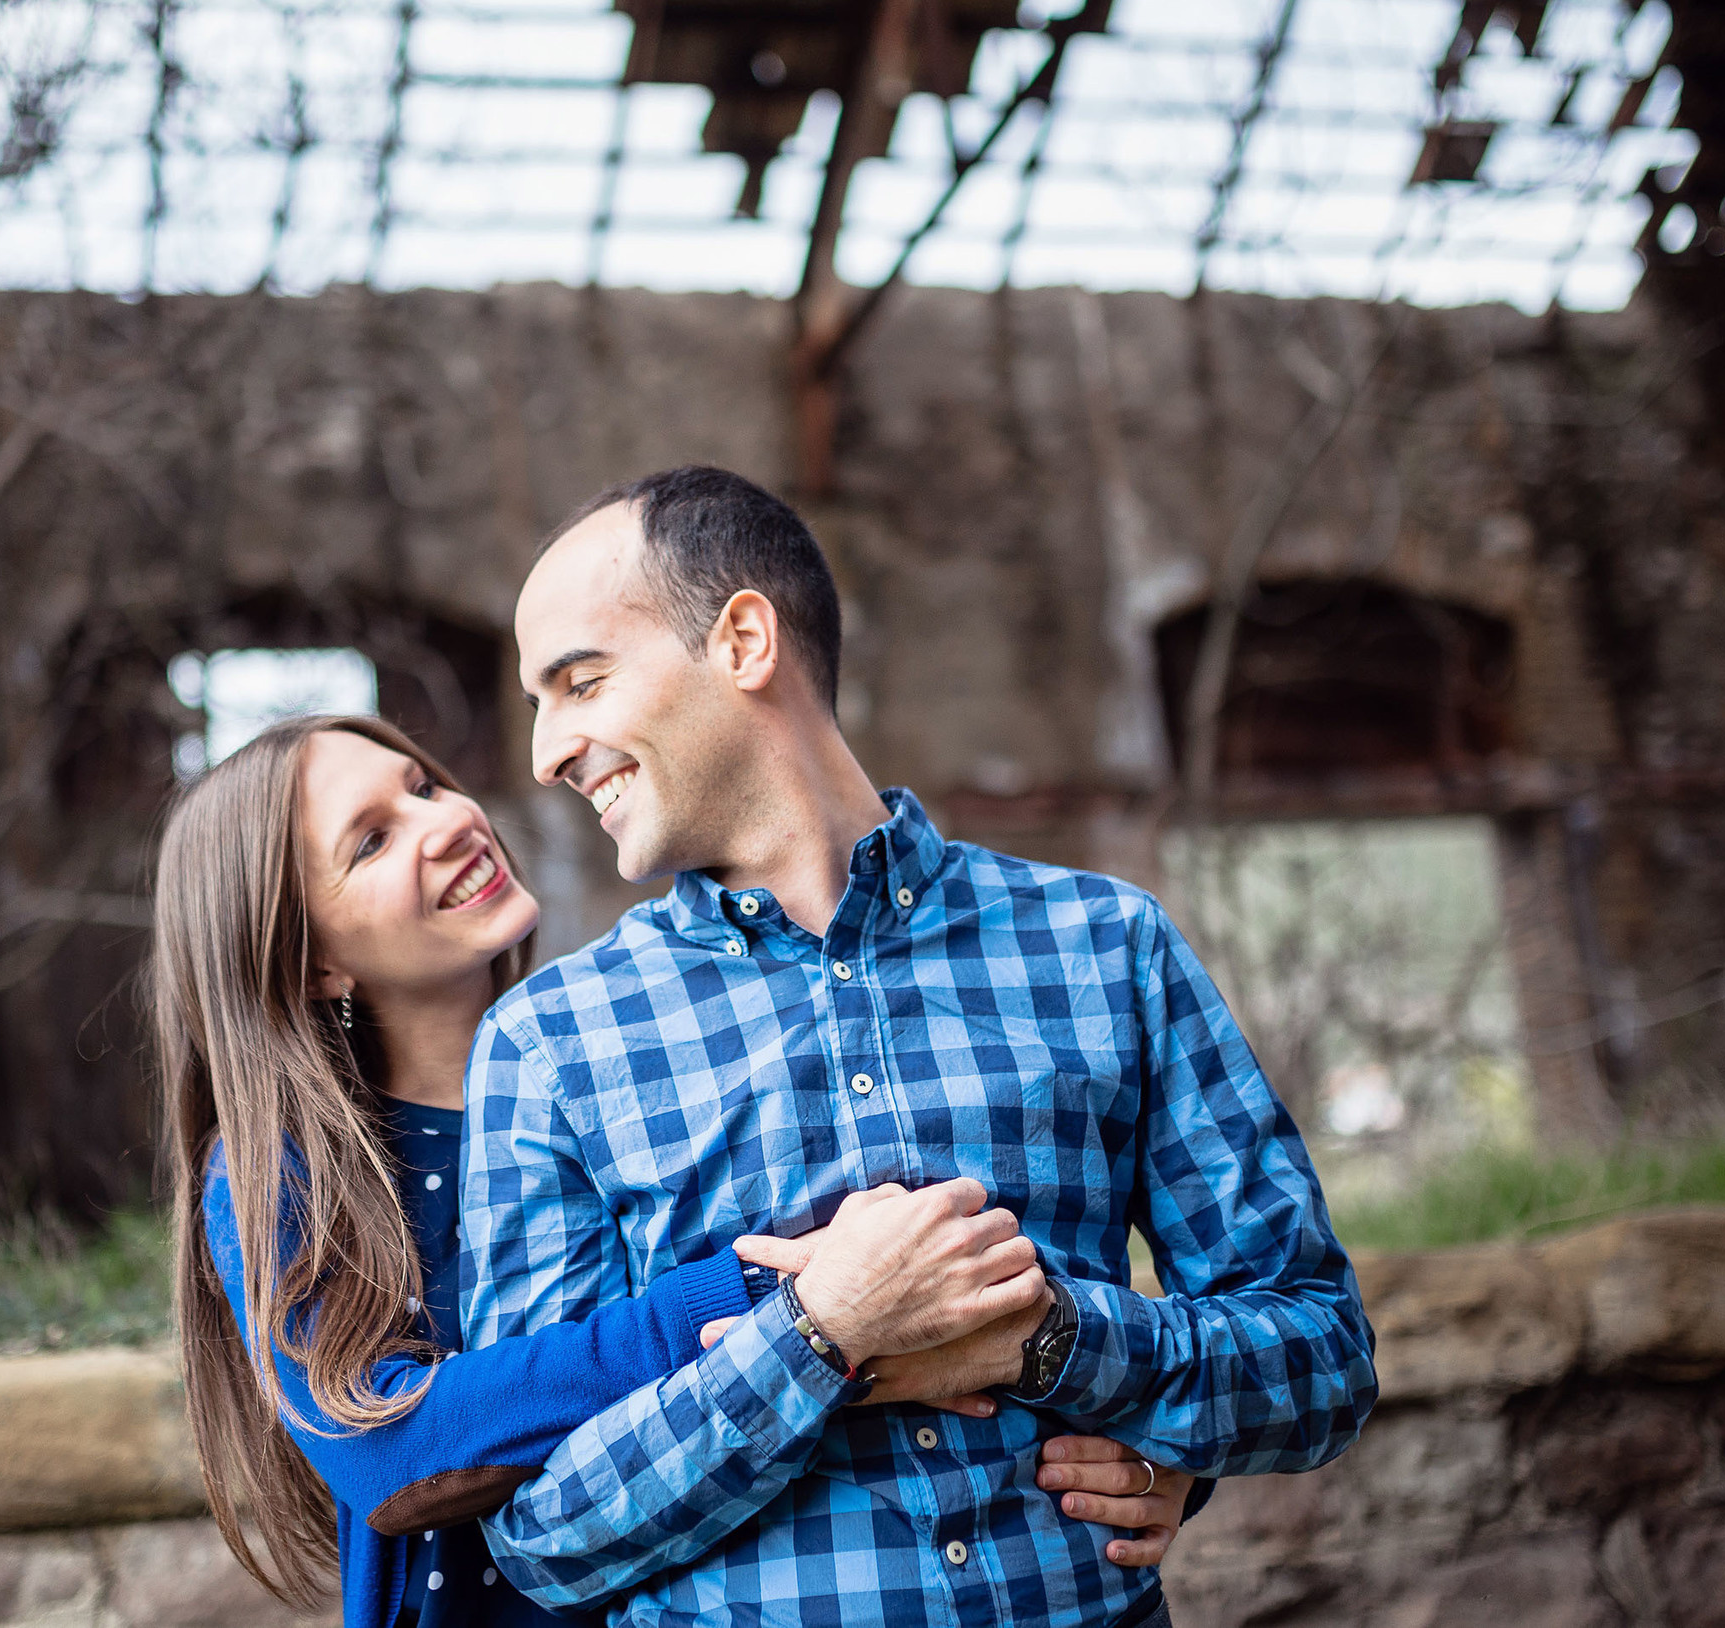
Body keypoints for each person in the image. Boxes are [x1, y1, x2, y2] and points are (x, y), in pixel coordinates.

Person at [464, 465, 1379, 1627]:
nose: (547, 750)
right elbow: (541, 1528)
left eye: (580, 683)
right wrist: (820, 1337)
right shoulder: (548, 1047)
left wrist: (1048, 1342)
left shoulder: (1107, 948)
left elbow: (1322, 1359)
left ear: (744, 639)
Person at [153, 714, 1195, 1628]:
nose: (445, 821)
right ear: (313, 962)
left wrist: (1163, 1459)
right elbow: (386, 1450)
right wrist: (762, 1296)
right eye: (373, 841)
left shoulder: (645, 1048)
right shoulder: (282, 1178)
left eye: (422, 785)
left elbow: (955, 1292)